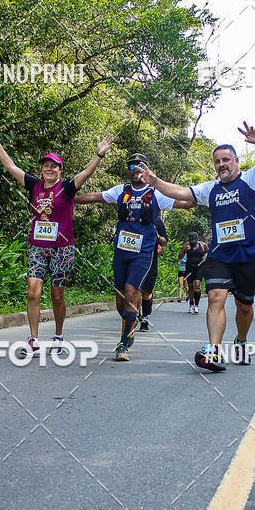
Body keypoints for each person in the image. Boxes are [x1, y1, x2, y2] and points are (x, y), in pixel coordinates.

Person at [135, 123, 255, 372]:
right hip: (220, 256)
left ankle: (241, 341)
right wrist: (155, 181)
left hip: (248, 255)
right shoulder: (210, 189)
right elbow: (181, 191)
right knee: (215, 297)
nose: (221, 164)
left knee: (244, 306)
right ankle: (214, 351)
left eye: (226, 159)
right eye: (217, 161)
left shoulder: (252, 179)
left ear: (236, 161)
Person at [0, 121, 113, 355]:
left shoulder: (67, 188)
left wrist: (99, 155)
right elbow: (11, 167)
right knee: (32, 292)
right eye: (46, 166)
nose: (49, 169)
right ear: (42, 168)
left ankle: (59, 334)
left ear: (60, 170)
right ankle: (33, 339)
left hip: (63, 248)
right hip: (37, 247)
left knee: (56, 294)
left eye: (54, 166)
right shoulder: (34, 185)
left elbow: (85, 173)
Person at [75, 153, 176, 361]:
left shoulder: (157, 193)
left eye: (140, 166)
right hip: (121, 252)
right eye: (132, 166)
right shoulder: (121, 190)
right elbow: (95, 197)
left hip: (143, 252)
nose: (136, 169)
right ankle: (130, 321)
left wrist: (204, 199)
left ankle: (123, 344)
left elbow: (184, 201)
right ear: (128, 170)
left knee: (132, 290)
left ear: (147, 169)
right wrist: (69, 199)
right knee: (120, 297)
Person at [137, 215, 168, 331]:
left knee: (146, 292)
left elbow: (164, 241)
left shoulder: (157, 222)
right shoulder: (131, 219)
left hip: (150, 261)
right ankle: (136, 316)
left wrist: (157, 236)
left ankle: (145, 317)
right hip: (133, 259)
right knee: (134, 289)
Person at [179, 232, 208, 314]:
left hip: (200, 267)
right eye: (192, 242)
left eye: (194, 242)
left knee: (197, 285)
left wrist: (206, 256)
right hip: (189, 268)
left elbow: (208, 252)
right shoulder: (186, 245)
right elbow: (180, 256)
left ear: (198, 239)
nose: (193, 243)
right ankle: (191, 303)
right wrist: (184, 250)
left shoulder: (203, 245)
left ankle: (197, 306)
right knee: (191, 286)